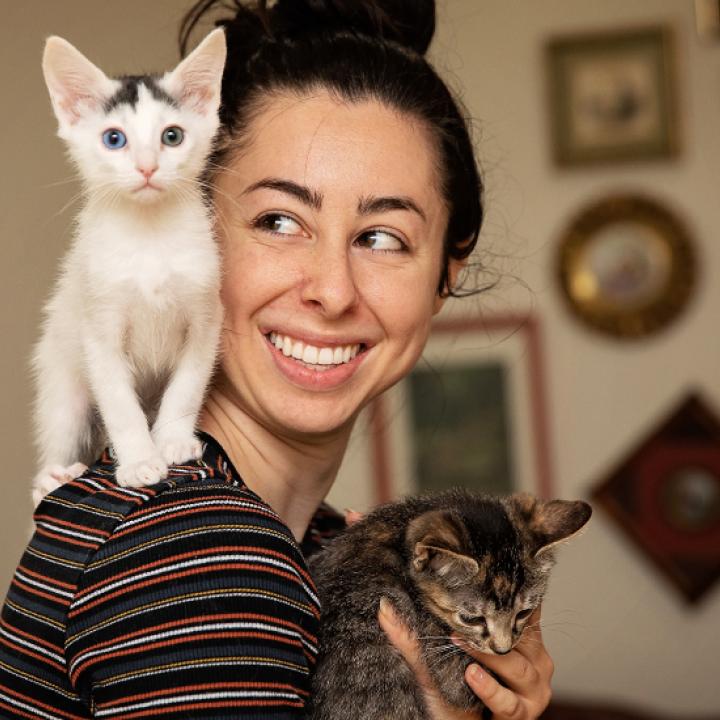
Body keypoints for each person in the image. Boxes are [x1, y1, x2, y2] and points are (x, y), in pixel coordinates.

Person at [0, 1, 553, 718]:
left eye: (383, 237)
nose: (330, 289)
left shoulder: (322, 546)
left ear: (447, 271)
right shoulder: (204, 554)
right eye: (279, 221)